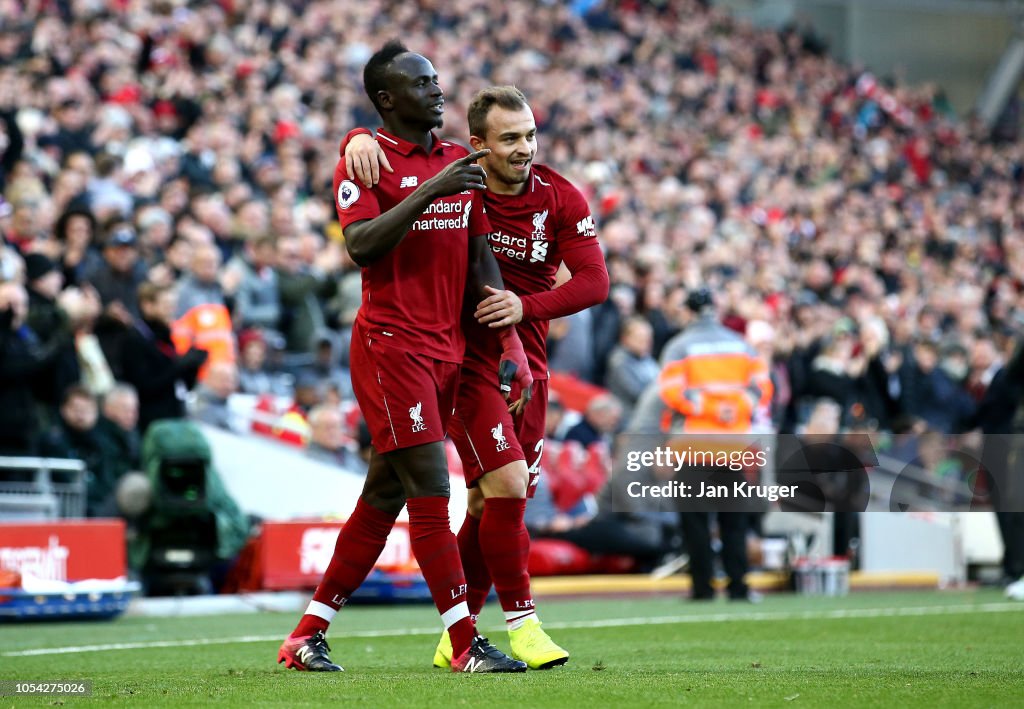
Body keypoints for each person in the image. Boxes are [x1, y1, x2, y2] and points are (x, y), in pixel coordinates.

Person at [278, 42, 530, 674]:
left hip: (447, 350)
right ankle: (466, 645)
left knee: (381, 497)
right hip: (392, 347)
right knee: (430, 488)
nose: (437, 91)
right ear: (387, 98)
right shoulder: (365, 161)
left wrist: (508, 341)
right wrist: (429, 187)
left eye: (437, 80)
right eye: (422, 84)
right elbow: (361, 244)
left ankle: (306, 635)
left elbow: (480, 259)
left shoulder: (456, 159)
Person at [344, 85, 609, 669]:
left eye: (530, 135)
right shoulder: (456, 183)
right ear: (478, 144)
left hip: (527, 362)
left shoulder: (559, 195)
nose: (524, 148)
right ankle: (524, 625)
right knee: (507, 485)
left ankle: (456, 632)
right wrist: (356, 137)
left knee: (491, 505)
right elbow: (398, 172)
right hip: (463, 361)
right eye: (510, 138)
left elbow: (595, 282)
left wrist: (526, 309)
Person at [629, 287, 773, 601]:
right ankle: (739, 587)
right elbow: (763, 387)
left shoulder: (679, 346)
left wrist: (707, 408)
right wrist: (733, 408)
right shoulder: (742, 346)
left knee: (695, 521)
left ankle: (702, 589)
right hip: (734, 445)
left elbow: (671, 392)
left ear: (689, 312)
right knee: (733, 520)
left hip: (692, 445)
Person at [121, 281, 208, 432]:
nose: (172, 312)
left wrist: (192, 366)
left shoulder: (165, 337)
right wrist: (179, 365)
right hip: (149, 420)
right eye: (166, 306)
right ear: (147, 305)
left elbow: (181, 383)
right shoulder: (134, 338)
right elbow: (145, 385)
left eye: (173, 306)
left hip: (173, 415)